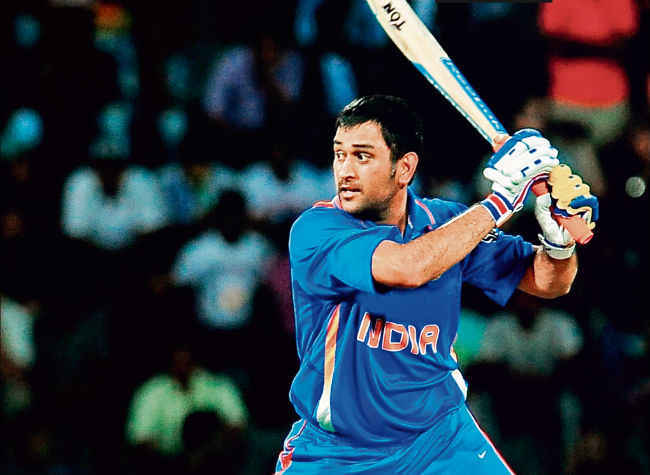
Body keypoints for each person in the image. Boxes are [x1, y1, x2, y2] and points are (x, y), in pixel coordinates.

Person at [274, 95, 598, 474]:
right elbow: (409, 267)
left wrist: (559, 244)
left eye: (362, 156)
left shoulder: (445, 222)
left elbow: (548, 283)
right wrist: (501, 202)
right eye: (339, 154)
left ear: (404, 168)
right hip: (341, 453)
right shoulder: (317, 230)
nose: (344, 171)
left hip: (441, 440)